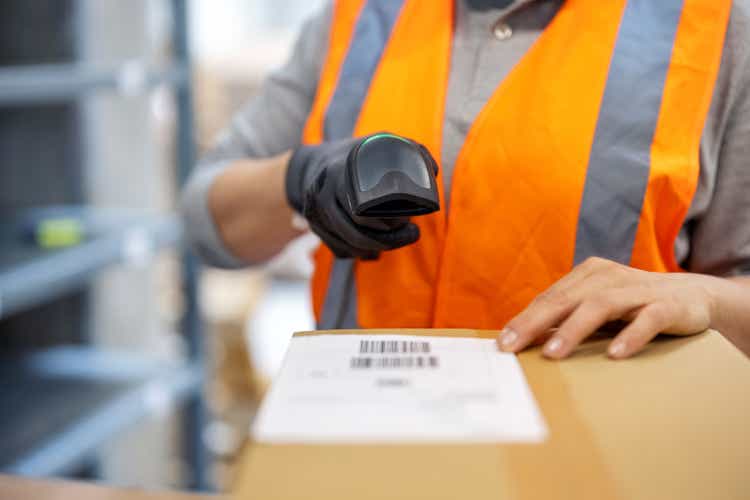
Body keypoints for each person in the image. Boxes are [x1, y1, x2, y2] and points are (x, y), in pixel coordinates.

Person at [182, 0, 750, 359]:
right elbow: (204, 222)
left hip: (593, 456)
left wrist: (698, 295)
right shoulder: (357, 17)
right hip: (364, 437)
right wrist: (297, 178)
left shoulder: (712, 29)